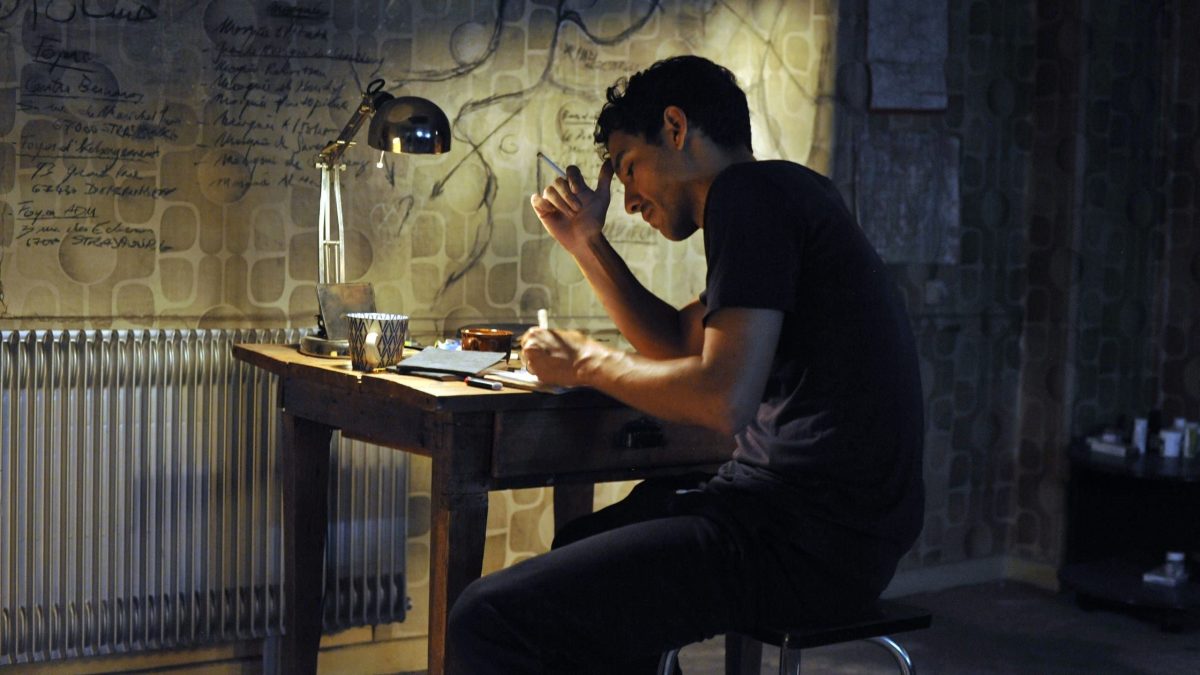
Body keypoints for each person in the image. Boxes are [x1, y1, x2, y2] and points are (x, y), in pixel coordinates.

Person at [446, 55, 924, 674]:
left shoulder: (749, 196)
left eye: (629, 167)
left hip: (804, 538)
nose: (627, 201)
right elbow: (677, 340)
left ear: (676, 127)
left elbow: (722, 400)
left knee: (485, 616)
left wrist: (586, 361)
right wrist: (587, 242)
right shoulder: (786, 193)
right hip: (828, 532)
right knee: (582, 544)